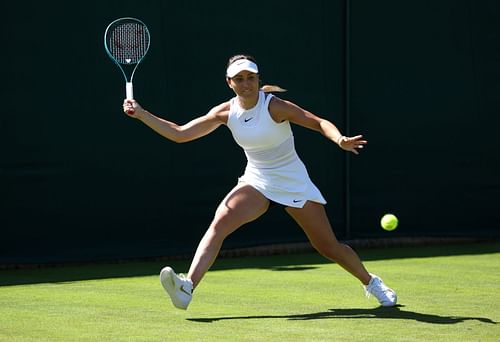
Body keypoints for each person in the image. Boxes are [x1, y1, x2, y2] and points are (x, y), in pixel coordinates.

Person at [122, 54, 397, 310]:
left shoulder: (275, 106)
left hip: (292, 180)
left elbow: (318, 122)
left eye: (250, 78)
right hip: (256, 178)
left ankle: (371, 281)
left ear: (258, 79)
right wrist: (142, 113)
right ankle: (187, 287)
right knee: (219, 224)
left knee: (328, 247)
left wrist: (339, 139)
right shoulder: (224, 112)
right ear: (229, 83)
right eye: (239, 79)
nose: (246, 84)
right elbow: (181, 134)